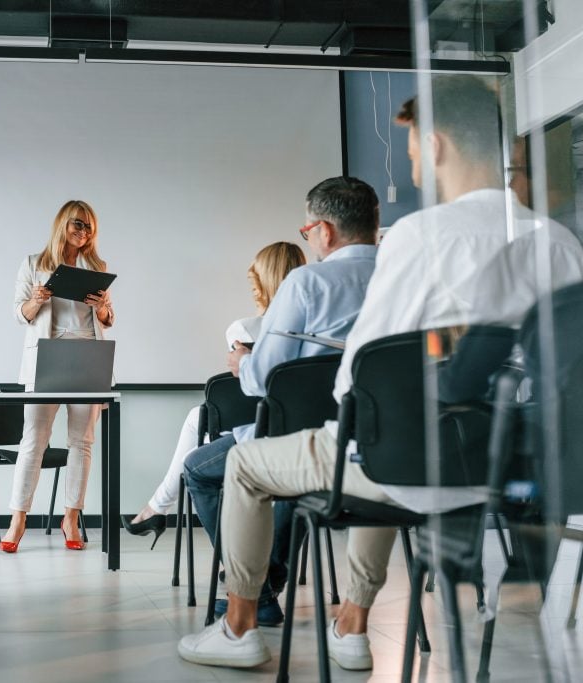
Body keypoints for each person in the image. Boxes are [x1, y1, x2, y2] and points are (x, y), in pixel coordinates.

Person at [177, 75, 583, 672]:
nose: (413, 161)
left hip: (412, 465)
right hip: (509, 470)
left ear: (437, 143)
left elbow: (359, 382)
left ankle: (239, 628)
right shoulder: (557, 242)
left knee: (265, 458)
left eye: (413, 148)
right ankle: (352, 622)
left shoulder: (421, 235)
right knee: (385, 442)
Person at [184, 176, 380, 627]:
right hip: (383, 449)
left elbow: (263, 380)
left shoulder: (307, 283)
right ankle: (265, 581)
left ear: (325, 230)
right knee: (284, 470)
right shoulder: (406, 279)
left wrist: (242, 362)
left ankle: (256, 582)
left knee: (199, 469)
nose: (308, 240)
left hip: (307, 445)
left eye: (307, 231)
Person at [121, 242, 306, 545]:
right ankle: (156, 506)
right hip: (304, 435)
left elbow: (245, 393)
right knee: (199, 416)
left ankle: (168, 513)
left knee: (199, 432)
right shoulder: (311, 330)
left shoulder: (243, 330)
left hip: (260, 436)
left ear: (262, 283)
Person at [0, 200, 113, 552]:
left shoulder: (97, 267)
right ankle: (18, 519)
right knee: (34, 440)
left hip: (88, 355)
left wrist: (103, 307)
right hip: (46, 356)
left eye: (89, 228)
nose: (83, 233)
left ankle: (71, 517)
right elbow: (21, 314)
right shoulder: (34, 264)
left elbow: (107, 319)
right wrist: (36, 299)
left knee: (83, 441)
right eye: (78, 225)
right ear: (63, 223)